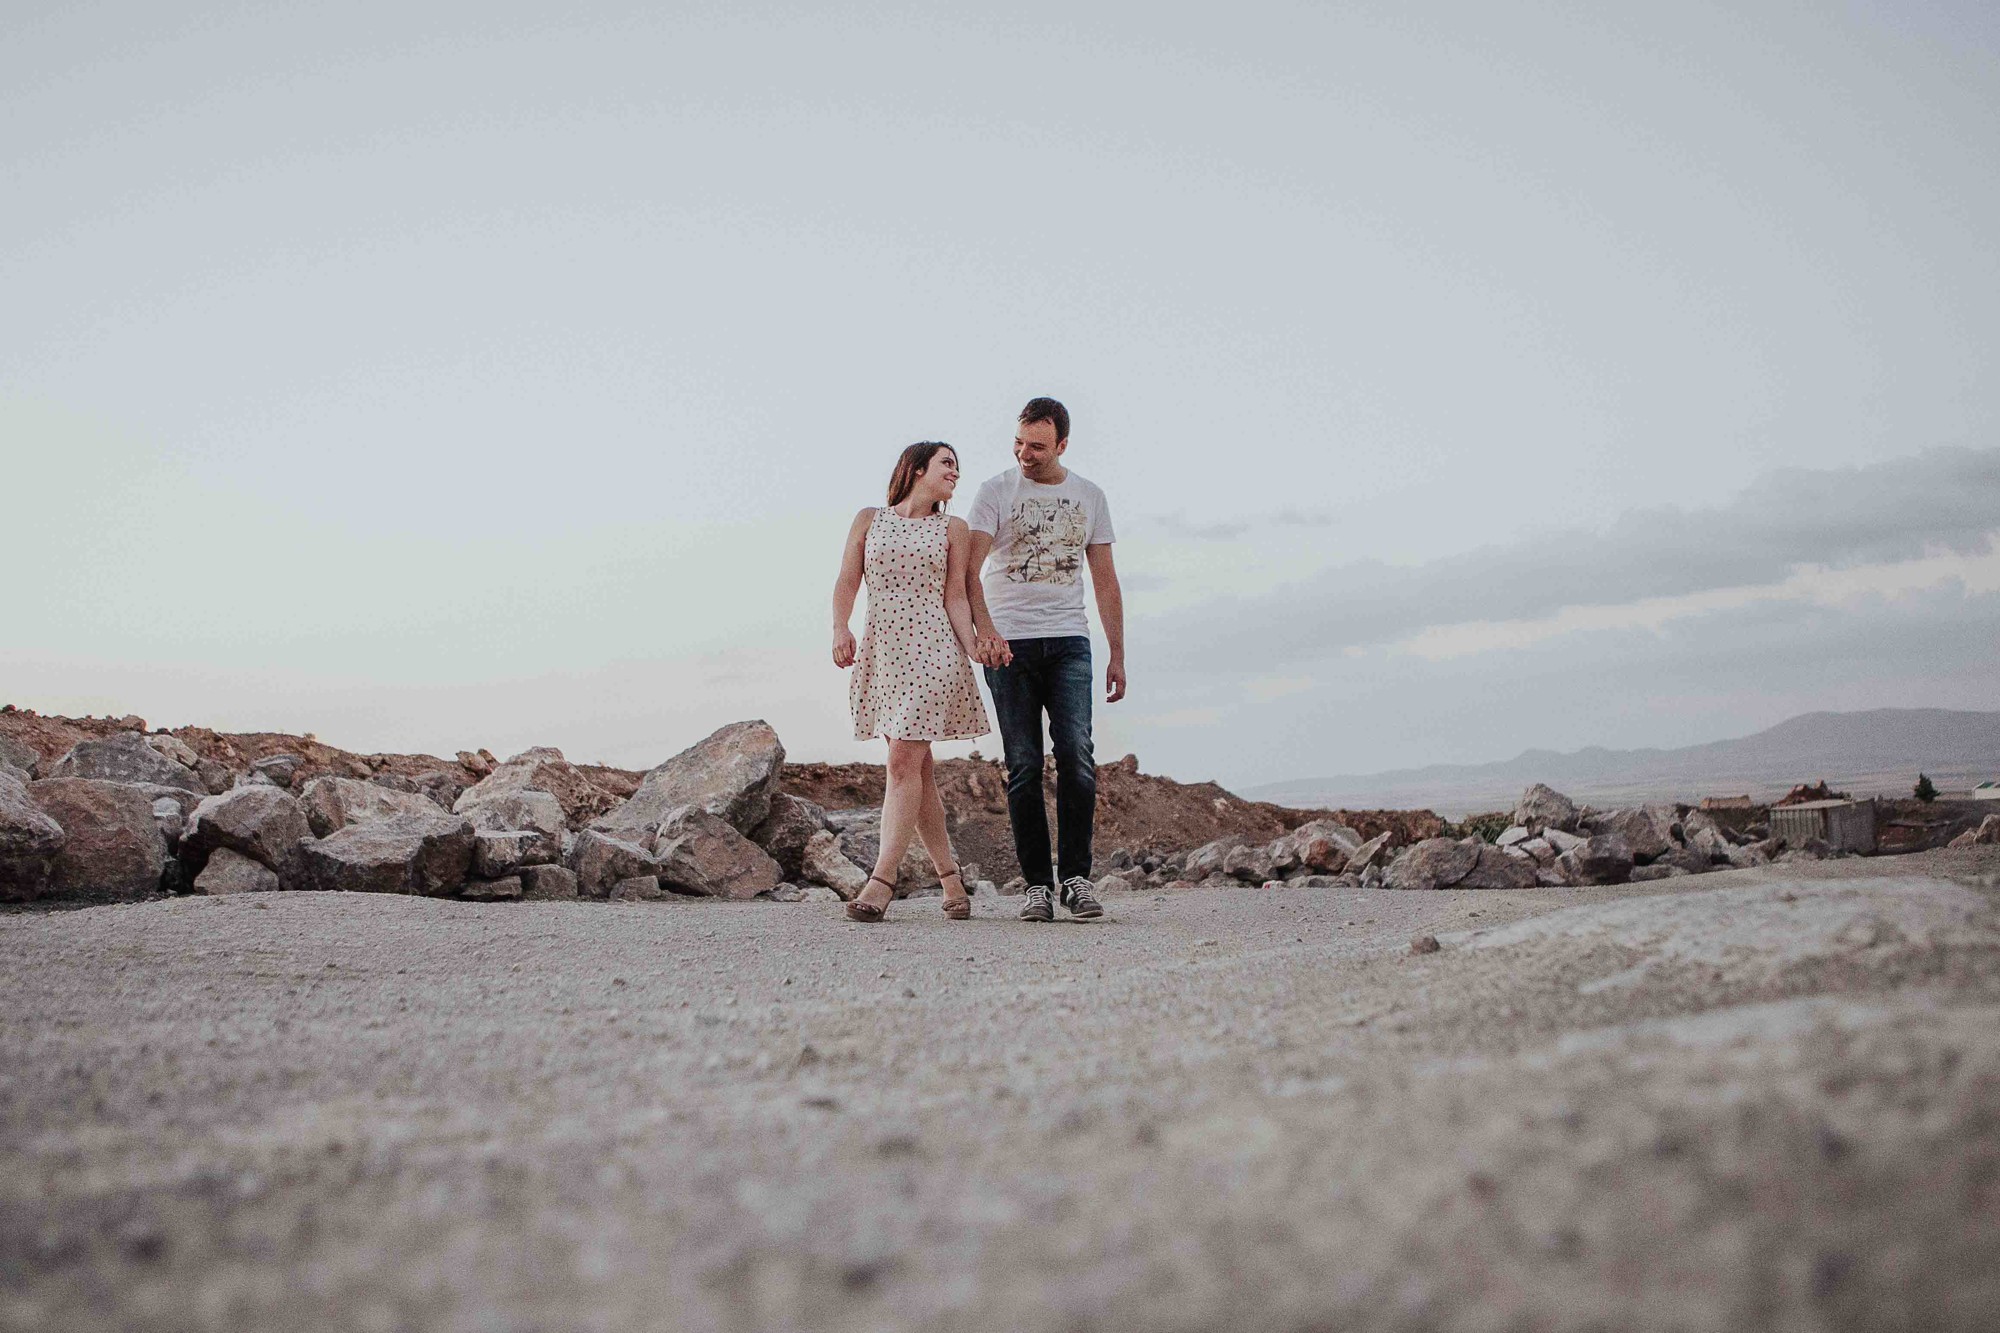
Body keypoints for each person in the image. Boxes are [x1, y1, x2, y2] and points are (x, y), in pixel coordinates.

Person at [966, 397, 1124, 923]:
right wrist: (984, 631)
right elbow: (969, 571)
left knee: (1077, 755)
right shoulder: (994, 491)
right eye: (1018, 443)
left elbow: (1105, 579)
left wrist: (1117, 653)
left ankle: (1076, 879)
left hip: (1069, 641)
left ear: (1061, 445)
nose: (1024, 454)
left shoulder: (1089, 496)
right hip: (1008, 644)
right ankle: (1037, 886)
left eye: (1036, 446)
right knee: (1024, 766)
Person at [831, 442, 994, 923]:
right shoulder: (869, 519)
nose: (955, 474)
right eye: (947, 464)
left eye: (958, 468)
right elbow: (846, 581)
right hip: (885, 656)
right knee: (917, 772)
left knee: (901, 760)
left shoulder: (954, 529)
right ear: (916, 468)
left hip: (935, 653)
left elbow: (957, 598)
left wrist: (974, 647)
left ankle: (881, 881)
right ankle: (952, 881)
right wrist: (841, 628)